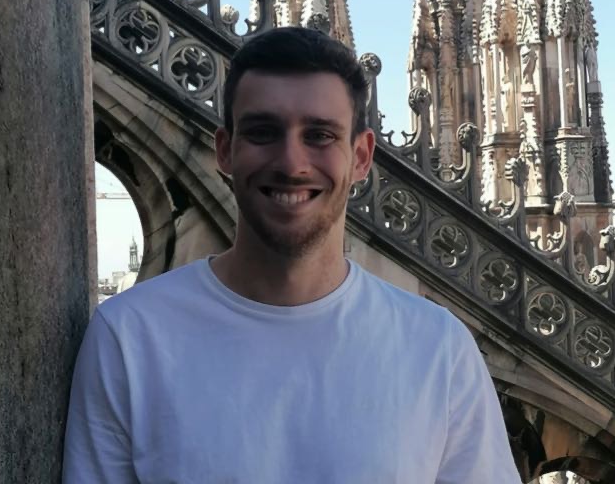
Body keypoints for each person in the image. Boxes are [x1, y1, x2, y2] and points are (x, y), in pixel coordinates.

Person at [63, 27, 521, 483]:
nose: (291, 163)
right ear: (225, 151)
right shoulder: (128, 338)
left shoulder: (440, 351)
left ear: (361, 157)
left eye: (319, 135)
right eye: (263, 132)